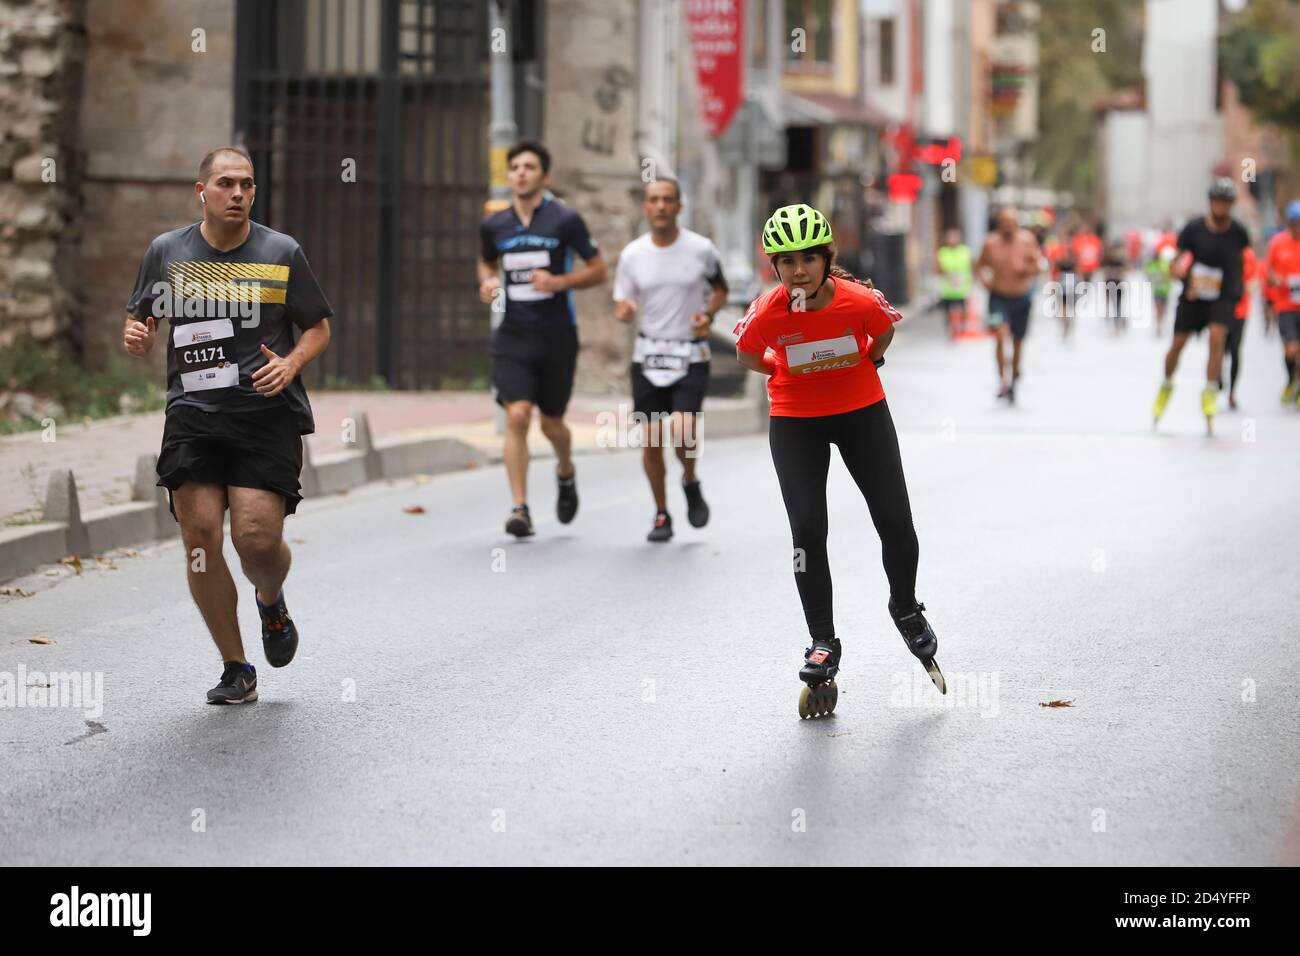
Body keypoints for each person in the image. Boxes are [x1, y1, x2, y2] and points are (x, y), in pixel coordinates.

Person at [123, 146, 333, 704]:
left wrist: (291, 363)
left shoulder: (281, 251)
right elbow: (140, 319)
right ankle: (236, 666)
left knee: (256, 542)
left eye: (246, 185)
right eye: (225, 184)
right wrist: (137, 336)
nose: (237, 193)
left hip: (264, 415)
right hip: (193, 414)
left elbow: (317, 327)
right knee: (200, 540)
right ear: (202, 192)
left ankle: (271, 598)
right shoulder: (167, 252)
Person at [732, 204, 945, 720]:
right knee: (807, 531)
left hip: (861, 412)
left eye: (808, 258)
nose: (798, 270)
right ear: (774, 267)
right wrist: (780, 369)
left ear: (827, 259)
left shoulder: (858, 301)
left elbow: (884, 331)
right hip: (795, 419)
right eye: (786, 262)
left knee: (895, 520)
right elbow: (745, 354)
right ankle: (822, 640)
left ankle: (905, 606)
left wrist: (867, 358)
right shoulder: (768, 312)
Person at [478, 140, 608, 537]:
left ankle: (565, 470)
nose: (520, 172)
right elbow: (486, 261)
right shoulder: (494, 224)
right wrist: (486, 283)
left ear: (544, 176)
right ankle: (521, 507)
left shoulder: (565, 219)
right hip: (514, 334)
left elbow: (598, 270)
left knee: (553, 424)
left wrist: (559, 282)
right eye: (515, 166)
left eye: (529, 166)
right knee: (517, 414)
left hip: (556, 335)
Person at [612, 178, 727, 541]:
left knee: (681, 429)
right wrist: (626, 309)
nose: (660, 206)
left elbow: (720, 288)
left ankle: (690, 479)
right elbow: (622, 300)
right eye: (653, 200)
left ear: (679, 206)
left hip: (690, 352)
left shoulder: (702, 249)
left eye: (667, 200)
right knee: (650, 438)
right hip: (648, 354)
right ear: (645, 207)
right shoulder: (632, 255)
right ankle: (661, 513)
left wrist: (707, 314)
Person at [1152, 178, 1252, 431]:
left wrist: (1240, 288)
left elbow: (1243, 262)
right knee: (1178, 344)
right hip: (1194, 295)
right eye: (1218, 202)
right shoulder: (1194, 229)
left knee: (1217, 338)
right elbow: (1176, 261)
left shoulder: (1239, 233)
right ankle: (1166, 383)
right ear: (1210, 203)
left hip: (1222, 296)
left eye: (1226, 203)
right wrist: (1182, 277)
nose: (1221, 207)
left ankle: (1209, 392)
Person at [975, 207, 1042, 401]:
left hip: (1021, 297)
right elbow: (979, 265)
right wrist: (984, 282)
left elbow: (1039, 265)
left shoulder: (1027, 240)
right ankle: (1003, 380)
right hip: (998, 297)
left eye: (1012, 223)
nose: (1008, 227)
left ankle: (1014, 374)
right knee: (999, 336)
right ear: (999, 224)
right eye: (1005, 223)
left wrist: (1025, 268)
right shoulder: (990, 243)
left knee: (1018, 341)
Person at [1265, 200, 1300, 405]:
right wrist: (1279, 280)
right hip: (1286, 305)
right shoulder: (1277, 243)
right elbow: (1268, 273)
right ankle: (1290, 380)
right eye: (1294, 223)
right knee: (1291, 350)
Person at [1222, 244, 1256, 410]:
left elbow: (1252, 280)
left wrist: (1248, 286)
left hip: (1240, 310)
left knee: (1235, 350)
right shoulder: (1218, 247)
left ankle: (1232, 392)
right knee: (1219, 348)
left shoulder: (1247, 253)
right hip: (1219, 309)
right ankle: (1217, 381)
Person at [935, 228, 974, 339]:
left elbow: (971, 266)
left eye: (954, 237)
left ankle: (961, 328)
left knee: (962, 309)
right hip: (948, 288)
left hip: (962, 287)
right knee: (948, 311)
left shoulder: (965, 251)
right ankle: (951, 330)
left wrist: (970, 281)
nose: (952, 240)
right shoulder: (942, 252)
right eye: (950, 238)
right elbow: (938, 269)